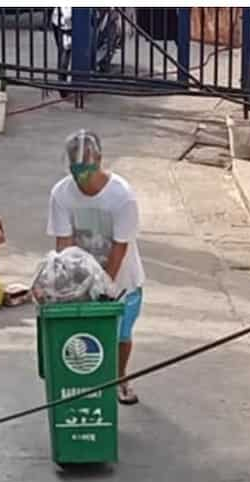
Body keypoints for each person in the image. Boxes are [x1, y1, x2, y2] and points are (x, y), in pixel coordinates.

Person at [47, 130, 145, 405]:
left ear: (100, 161)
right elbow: (64, 243)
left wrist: (106, 287)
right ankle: (85, 380)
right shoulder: (61, 194)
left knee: (120, 333)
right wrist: (65, 284)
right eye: (76, 170)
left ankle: (120, 376)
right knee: (84, 332)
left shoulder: (122, 196)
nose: (82, 178)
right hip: (80, 276)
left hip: (122, 275)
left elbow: (120, 246)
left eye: (87, 170)